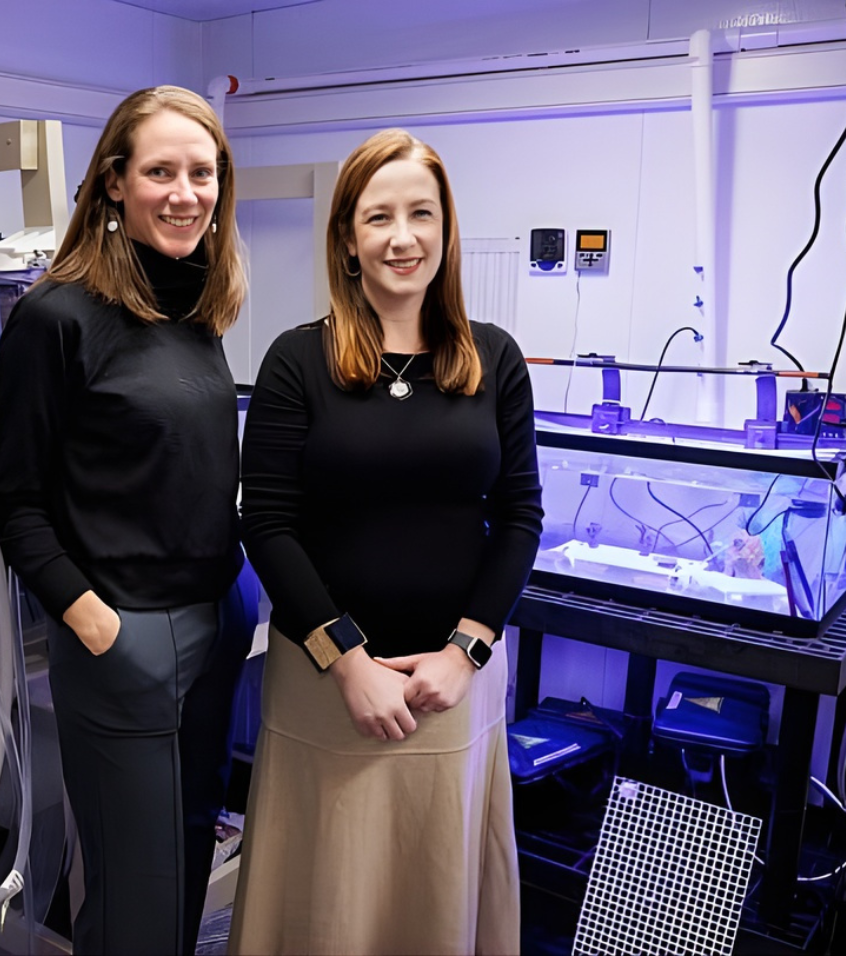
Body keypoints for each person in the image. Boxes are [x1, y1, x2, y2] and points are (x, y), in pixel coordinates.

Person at [228, 128, 543, 955]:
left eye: (421, 214)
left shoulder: (496, 359)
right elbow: (265, 520)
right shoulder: (298, 361)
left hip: (453, 691)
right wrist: (348, 660)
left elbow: (519, 515)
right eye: (379, 218)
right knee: (328, 894)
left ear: (446, 228)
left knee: (435, 885)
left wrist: (465, 652)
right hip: (327, 689)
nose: (402, 238)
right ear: (346, 238)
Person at [0, 85, 257, 956]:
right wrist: (89, 615)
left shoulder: (197, 309)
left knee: (186, 868)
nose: (186, 192)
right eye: (160, 171)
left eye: (202, 171)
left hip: (218, 621)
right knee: (135, 900)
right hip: (123, 634)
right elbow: (14, 498)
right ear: (113, 182)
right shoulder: (55, 317)